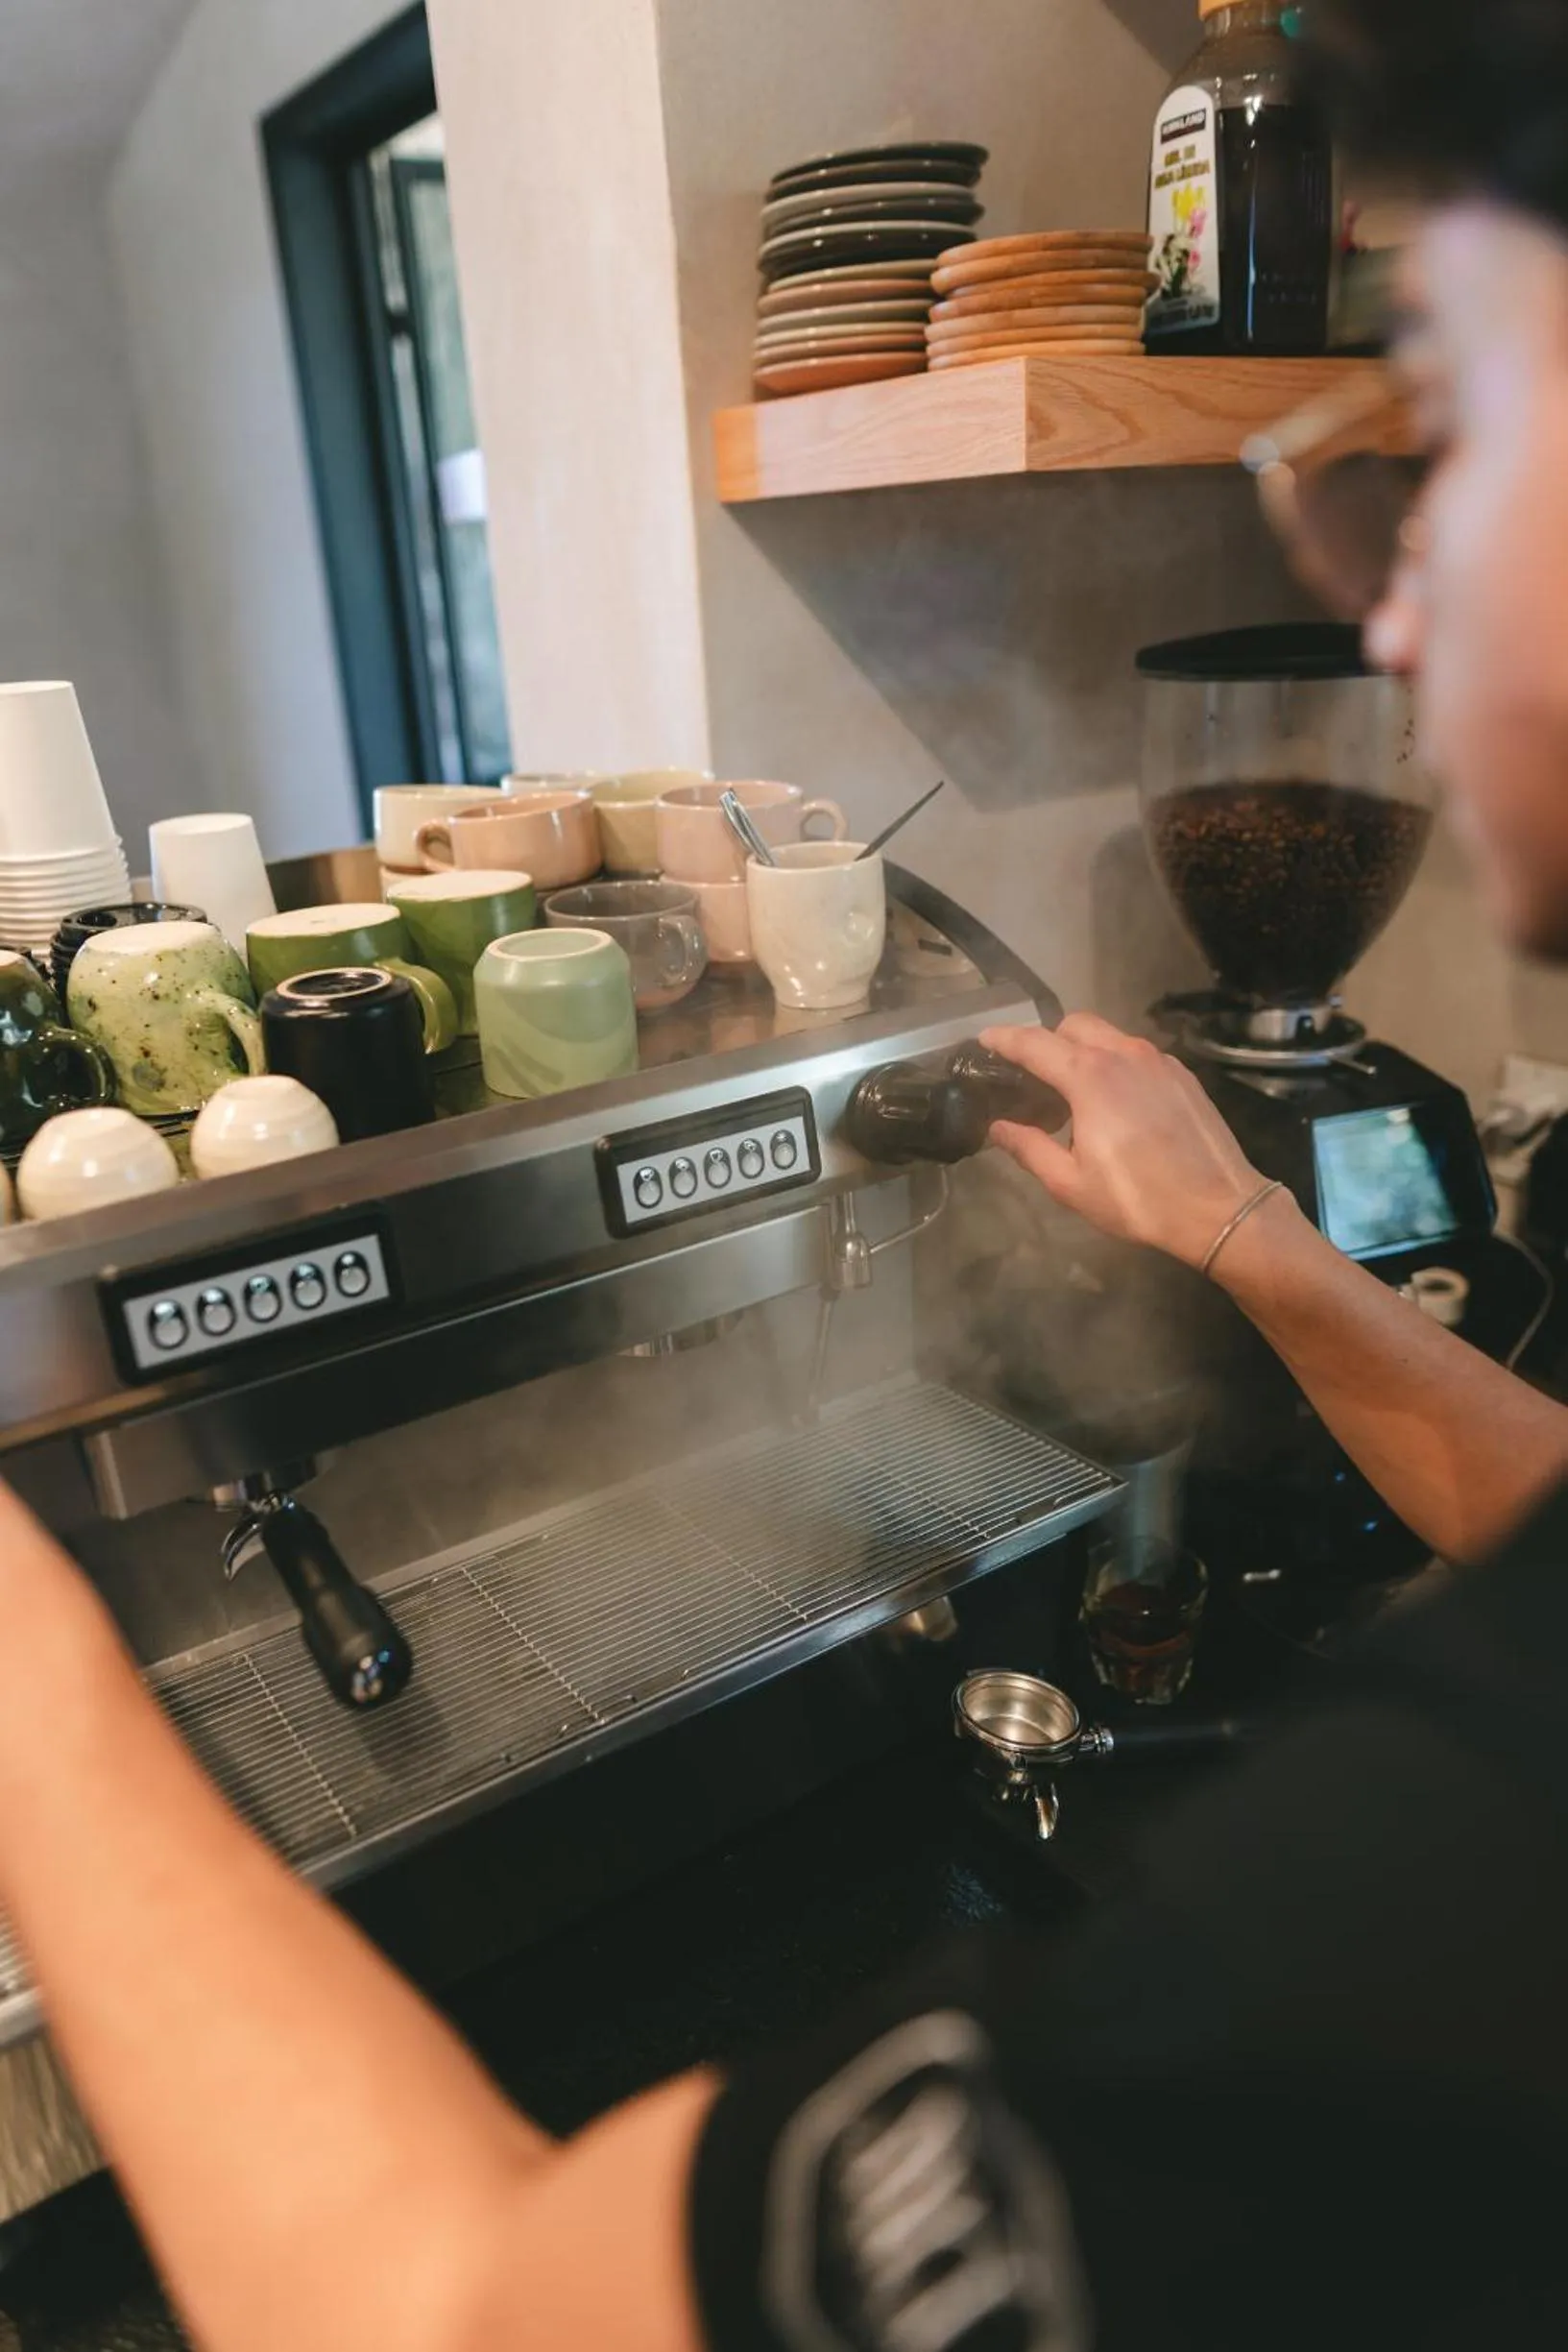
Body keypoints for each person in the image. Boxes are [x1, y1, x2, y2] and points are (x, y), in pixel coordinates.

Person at [8, 2, 1568, 2344]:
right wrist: (1247, 1231)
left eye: (1445, 425)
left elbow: (455, 2308)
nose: (1394, 598)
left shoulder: (1421, 1906)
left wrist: (27, 1668)